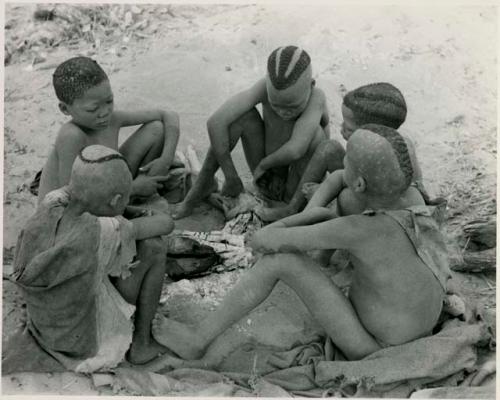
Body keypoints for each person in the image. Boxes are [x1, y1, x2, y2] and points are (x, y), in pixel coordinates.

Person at [151, 124, 451, 361]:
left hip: (378, 345)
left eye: (345, 161)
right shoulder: (411, 197)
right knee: (346, 201)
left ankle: (198, 340)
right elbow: (356, 184)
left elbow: (266, 241)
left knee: (280, 262)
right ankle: (327, 263)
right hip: (420, 324)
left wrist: (308, 216)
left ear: (360, 182)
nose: (341, 165)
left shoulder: (359, 229)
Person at [13, 145, 175, 370]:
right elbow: (165, 224)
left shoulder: (54, 199)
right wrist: (145, 211)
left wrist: (125, 208)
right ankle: (141, 343)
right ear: (115, 200)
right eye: (124, 198)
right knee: (154, 247)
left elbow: (106, 209)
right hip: (83, 340)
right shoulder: (100, 230)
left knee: (114, 250)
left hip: (49, 325)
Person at [172, 45, 344, 220]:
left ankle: (291, 207)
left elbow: (296, 149)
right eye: (275, 105)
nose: (283, 112)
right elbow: (216, 122)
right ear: (268, 85)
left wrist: (263, 165)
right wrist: (230, 175)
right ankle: (203, 185)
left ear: (311, 85)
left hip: (297, 184)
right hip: (267, 178)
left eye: (292, 108)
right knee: (240, 118)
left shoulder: (317, 98)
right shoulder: (263, 87)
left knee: (315, 135)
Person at [37, 56, 180, 204]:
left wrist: (166, 159)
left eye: (109, 101)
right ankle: (130, 198)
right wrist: (133, 188)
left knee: (156, 128)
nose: (105, 112)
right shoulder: (71, 135)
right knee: (162, 224)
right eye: (93, 109)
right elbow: (72, 196)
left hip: (109, 190)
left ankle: (132, 198)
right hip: (72, 213)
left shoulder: (112, 118)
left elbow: (169, 115)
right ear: (65, 108)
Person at [306, 82, 434, 216]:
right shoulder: (390, 143)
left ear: (373, 132)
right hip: (365, 185)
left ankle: (311, 213)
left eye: (349, 128)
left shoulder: (397, 154)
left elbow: (362, 185)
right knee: (329, 148)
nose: (341, 127)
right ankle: (295, 206)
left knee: (344, 196)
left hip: (380, 205)